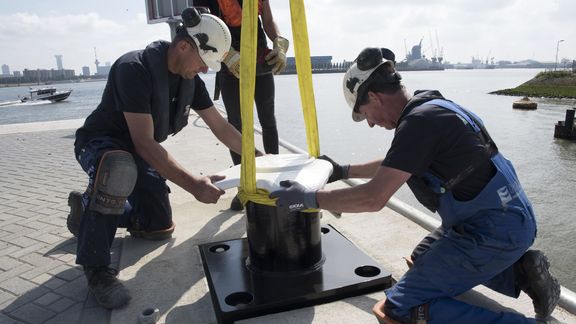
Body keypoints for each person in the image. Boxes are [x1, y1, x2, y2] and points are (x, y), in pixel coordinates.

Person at [269, 47, 561, 323]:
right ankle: (521, 272)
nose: (370, 124)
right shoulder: (429, 108)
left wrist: (310, 199)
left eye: (365, 114)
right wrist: (341, 170)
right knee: (420, 258)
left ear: (374, 97)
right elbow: (397, 165)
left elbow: (373, 198)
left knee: (400, 306)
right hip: (503, 218)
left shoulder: (419, 124)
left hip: (494, 231)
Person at [66, 8, 259, 309]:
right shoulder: (133, 68)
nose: (206, 70)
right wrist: (194, 184)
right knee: (118, 169)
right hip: (101, 145)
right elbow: (144, 142)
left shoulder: (189, 80)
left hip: (137, 153)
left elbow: (220, 126)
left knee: (158, 226)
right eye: (203, 62)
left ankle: (87, 210)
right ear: (183, 46)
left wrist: (258, 157)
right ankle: (97, 269)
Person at [193, 0, 289, 210]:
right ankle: (244, 185)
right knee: (236, 125)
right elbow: (201, 28)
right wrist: (226, 54)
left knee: (268, 121)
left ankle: (274, 181)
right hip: (228, 61)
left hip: (259, 55)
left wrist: (279, 42)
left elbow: (269, 20)